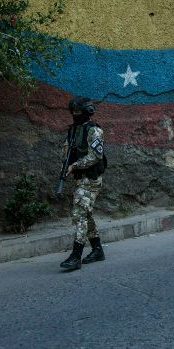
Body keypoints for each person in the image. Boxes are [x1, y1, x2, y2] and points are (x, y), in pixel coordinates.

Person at [59, 96, 108, 271]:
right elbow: (67, 149)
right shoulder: (73, 130)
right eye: (73, 112)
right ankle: (97, 250)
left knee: (79, 213)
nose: (75, 114)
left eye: (78, 112)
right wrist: (65, 160)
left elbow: (96, 156)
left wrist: (74, 165)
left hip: (91, 179)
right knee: (86, 214)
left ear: (88, 112)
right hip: (80, 178)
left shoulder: (94, 131)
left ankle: (76, 256)